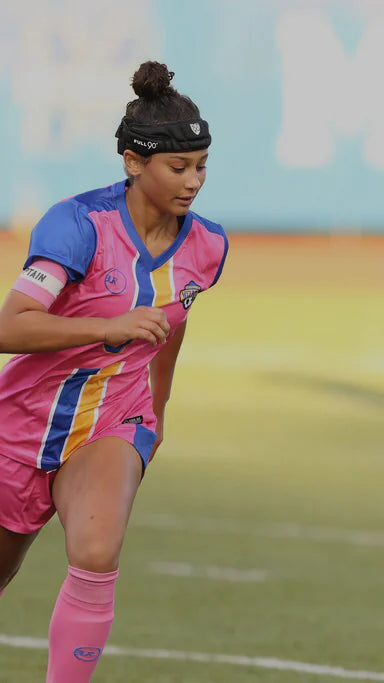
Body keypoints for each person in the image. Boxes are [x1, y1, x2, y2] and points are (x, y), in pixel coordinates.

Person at [0, 61, 227, 681]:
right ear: (133, 162)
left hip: (112, 424)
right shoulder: (78, 225)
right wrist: (108, 326)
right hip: (20, 428)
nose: (194, 181)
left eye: (202, 165)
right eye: (178, 167)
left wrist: (155, 416)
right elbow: (10, 326)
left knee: (97, 553)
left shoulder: (208, 245)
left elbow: (172, 327)